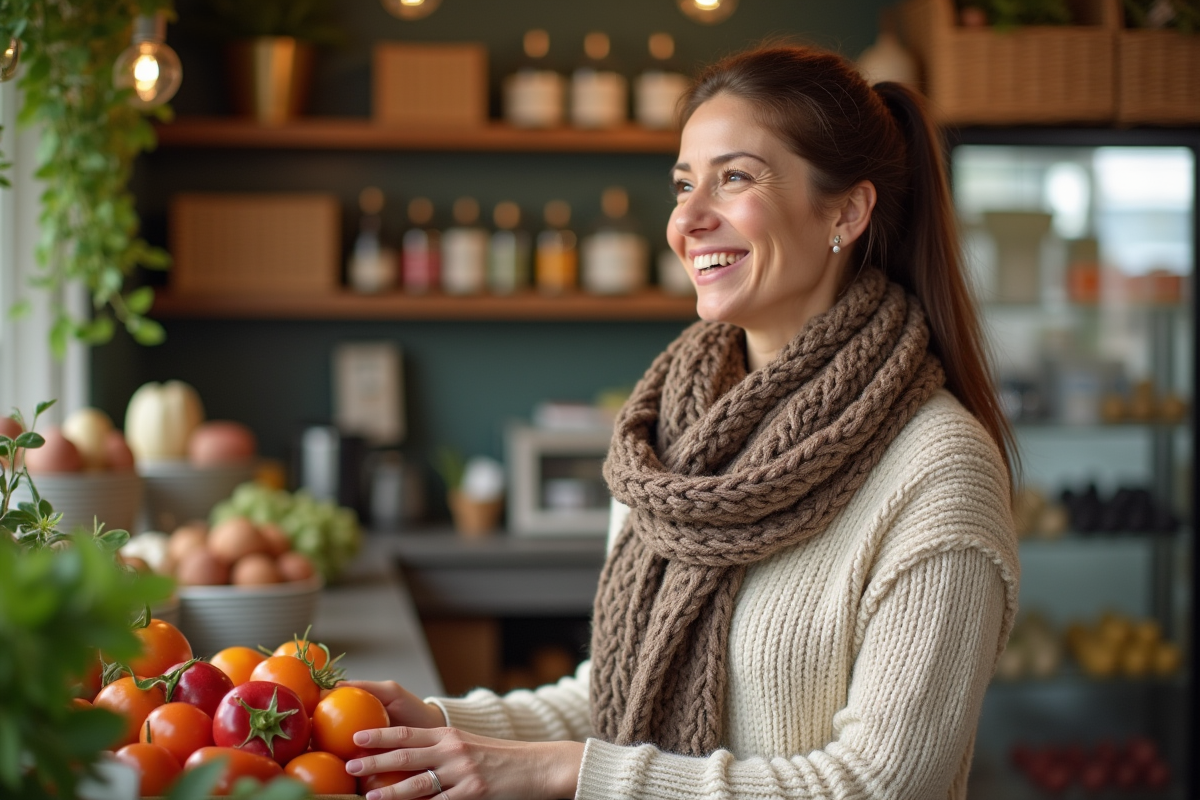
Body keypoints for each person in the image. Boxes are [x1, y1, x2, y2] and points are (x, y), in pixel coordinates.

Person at [342, 43, 1020, 800]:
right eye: (683, 183)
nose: (689, 219)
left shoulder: (938, 469)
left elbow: (881, 786)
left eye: (734, 178)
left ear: (847, 211)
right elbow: (612, 698)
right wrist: (432, 725)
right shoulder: (667, 441)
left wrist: (564, 775)